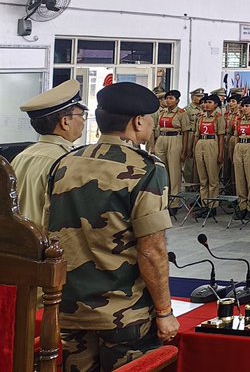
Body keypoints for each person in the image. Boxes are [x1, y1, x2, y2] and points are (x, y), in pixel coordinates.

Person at [47, 82, 178, 371]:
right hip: (123, 313)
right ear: (138, 122)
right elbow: (152, 251)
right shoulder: (146, 169)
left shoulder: (65, 162)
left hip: (70, 308)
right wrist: (164, 311)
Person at [13, 80, 88, 229]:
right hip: (50, 248)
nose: (83, 121)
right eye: (81, 115)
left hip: (21, 246)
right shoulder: (67, 161)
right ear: (65, 122)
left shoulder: (21, 157)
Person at [152, 89, 190, 212]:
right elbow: (156, 129)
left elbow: (186, 133)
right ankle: (163, 200)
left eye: (171, 98)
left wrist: (184, 150)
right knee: (161, 171)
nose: (168, 101)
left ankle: (174, 202)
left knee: (174, 172)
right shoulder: (161, 113)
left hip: (175, 139)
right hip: (162, 139)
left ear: (177, 101)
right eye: (166, 98)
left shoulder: (181, 113)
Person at [192, 94, 225, 218]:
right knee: (203, 179)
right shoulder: (200, 117)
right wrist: (194, 149)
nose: (206, 105)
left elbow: (221, 137)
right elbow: (196, 134)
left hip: (212, 144)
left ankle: (213, 206)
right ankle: (204, 205)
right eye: (205, 102)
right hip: (201, 143)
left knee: (212, 178)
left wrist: (221, 153)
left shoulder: (218, 117)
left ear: (216, 104)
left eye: (210, 102)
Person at [230, 97, 250, 220]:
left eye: (247, 106)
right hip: (240, 147)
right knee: (240, 179)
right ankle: (242, 206)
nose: (244, 108)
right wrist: (235, 151)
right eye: (243, 106)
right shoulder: (238, 119)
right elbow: (236, 136)